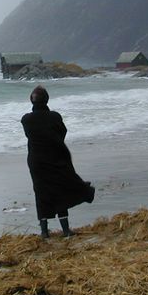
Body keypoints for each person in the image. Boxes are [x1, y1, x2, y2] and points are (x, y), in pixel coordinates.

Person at [21, 85, 95, 239]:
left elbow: (31, 135)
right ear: (47, 99)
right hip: (55, 157)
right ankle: (66, 230)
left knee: (41, 192)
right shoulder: (55, 117)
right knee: (60, 190)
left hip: (37, 161)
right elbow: (62, 132)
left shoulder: (26, 119)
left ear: (31, 101)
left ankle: (44, 232)